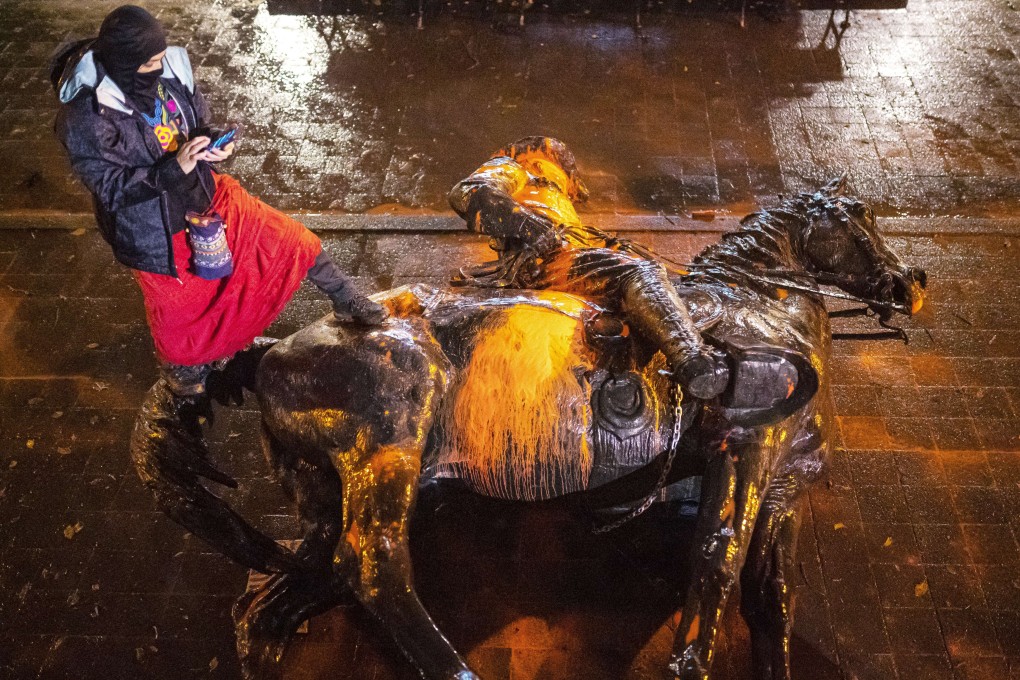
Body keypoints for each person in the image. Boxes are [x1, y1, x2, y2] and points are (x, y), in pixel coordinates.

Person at [52, 5, 386, 397]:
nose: (161, 69)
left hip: (209, 195)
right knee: (183, 310)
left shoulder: (171, 74)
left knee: (290, 240)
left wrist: (209, 143)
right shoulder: (87, 116)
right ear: (127, 62)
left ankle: (346, 298)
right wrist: (174, 168)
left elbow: (195, 120)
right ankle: (184, 374)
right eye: (151, 63)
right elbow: (111, 189)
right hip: (155, 231)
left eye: (161, 59)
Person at [448, 136, 731, 399]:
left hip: (564, 253)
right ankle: (691, 357)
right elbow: (469, 191)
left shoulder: (560, 205)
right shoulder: (517, 169)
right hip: (542, 259)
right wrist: (527, 225)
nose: (564, 187)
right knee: (638, 272)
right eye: (559, 175)